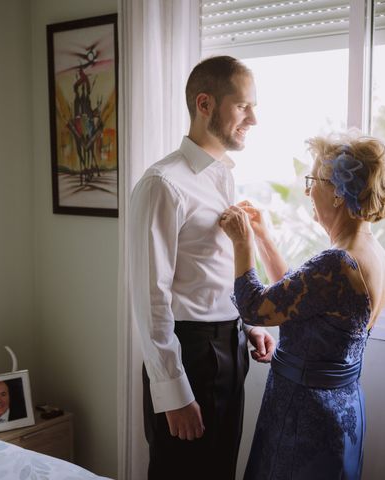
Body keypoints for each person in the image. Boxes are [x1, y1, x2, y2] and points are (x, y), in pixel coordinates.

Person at [219, 132, 385, 479]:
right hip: (340, 407)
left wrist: (242, 242)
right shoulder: (371, 253)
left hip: (305, 415)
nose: (307, 191)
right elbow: (300, 299)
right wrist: (264, 238)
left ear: (337, 191)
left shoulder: (337, 262)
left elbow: (254, 307)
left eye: (313, 180)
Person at [129, 55, 276, 480]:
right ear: (205, 103)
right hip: (188, 355)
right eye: (244, 106)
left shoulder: (222, 176)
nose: (253, 118)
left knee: (219, 471)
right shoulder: (162, 184)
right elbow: (149, 296)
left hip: (230, 349)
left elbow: (212, 268)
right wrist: (171, 390)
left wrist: (249, 325)